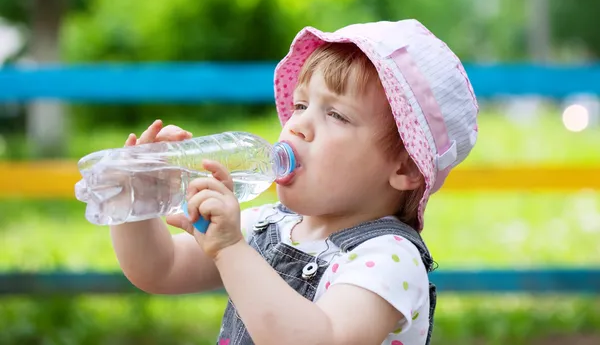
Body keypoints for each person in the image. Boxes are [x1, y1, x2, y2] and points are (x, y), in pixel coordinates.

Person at [112, 19, 479, 345]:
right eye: (301, 106)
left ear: (405, 169)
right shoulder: (266, 226)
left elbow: (323, 336)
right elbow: (160, 268)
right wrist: (139, 199)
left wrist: (229, 251)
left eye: (335, 114)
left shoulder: (389, 258)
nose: (297, 125)